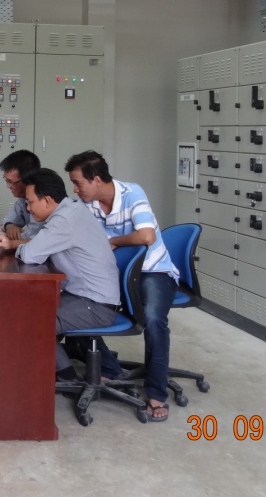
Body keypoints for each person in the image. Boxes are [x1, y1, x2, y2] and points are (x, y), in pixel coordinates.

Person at [65, 150, 179, 422]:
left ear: (96, 179)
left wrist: (114, 241)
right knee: (74, 304)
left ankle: (156, 392)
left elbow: (147, 236)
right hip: (111, 274)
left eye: (78, 183)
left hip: (152, 271)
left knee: (154, 319)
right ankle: (109, 368)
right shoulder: (86, 205)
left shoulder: (131, 193)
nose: (75, 189)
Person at [0, 168, 119, 381]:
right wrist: (12, 243)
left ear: (47, 200)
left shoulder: (63, 220)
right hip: (87, 296)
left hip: (95, 305)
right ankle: (53, 368)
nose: (28, 209)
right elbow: (39, 244)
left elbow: (30, 254)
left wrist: (16, 246)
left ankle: (66, 378)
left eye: (30, 202)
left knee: (32, 319)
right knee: (26, 307)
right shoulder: (70, 211)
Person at [0, 149, 42, 240]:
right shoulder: (22, 200)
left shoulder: (42, 202)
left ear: (27, 179)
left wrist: (3, 234)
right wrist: (10, 226)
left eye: (10, 182)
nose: (8, 186)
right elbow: (8, 220)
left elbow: (34, 239)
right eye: (6, 180)